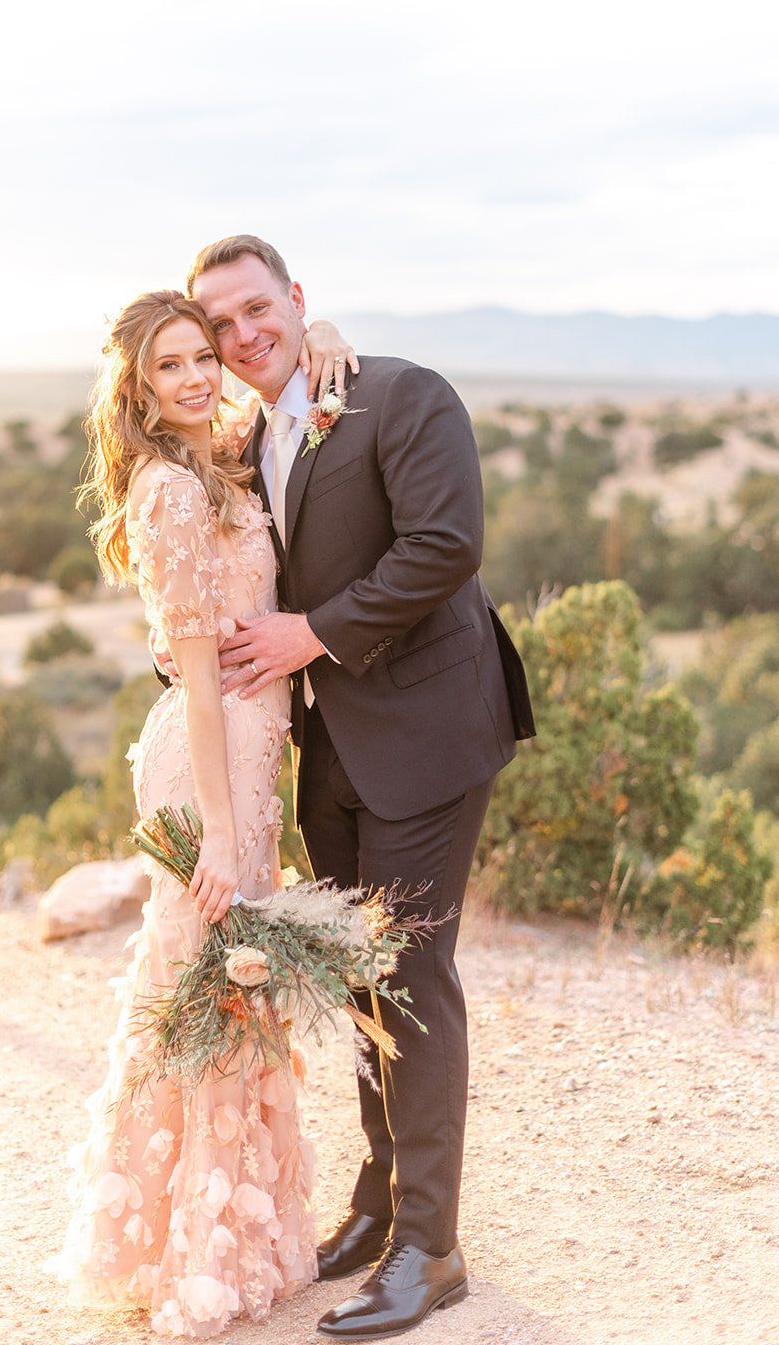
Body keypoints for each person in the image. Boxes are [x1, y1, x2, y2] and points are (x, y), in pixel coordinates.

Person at [186, 235, 536, 1341]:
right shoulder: (246, 436)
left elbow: (447, 544)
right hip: (330, 748)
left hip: (429, 729)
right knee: (357, 982)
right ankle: (381, 1203)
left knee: (414, 977)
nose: (246, 336)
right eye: (221, 326)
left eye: (258, 309)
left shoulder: (401, 396)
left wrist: (313, 634)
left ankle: (431, 1250)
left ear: (297, 299)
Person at [46, 291, 354, 1338]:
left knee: (229, 995)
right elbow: (199, 679)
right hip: (207, 765)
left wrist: (323, 340)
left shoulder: (217, 454)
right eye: (167, 365)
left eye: (199, 358)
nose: (190, 377)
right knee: (208, 989)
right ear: (136, 385)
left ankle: (236, 1236)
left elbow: (283, 413)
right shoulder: (170, 492)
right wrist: (221, 830)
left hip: (250, 762)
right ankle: (194, 1252)